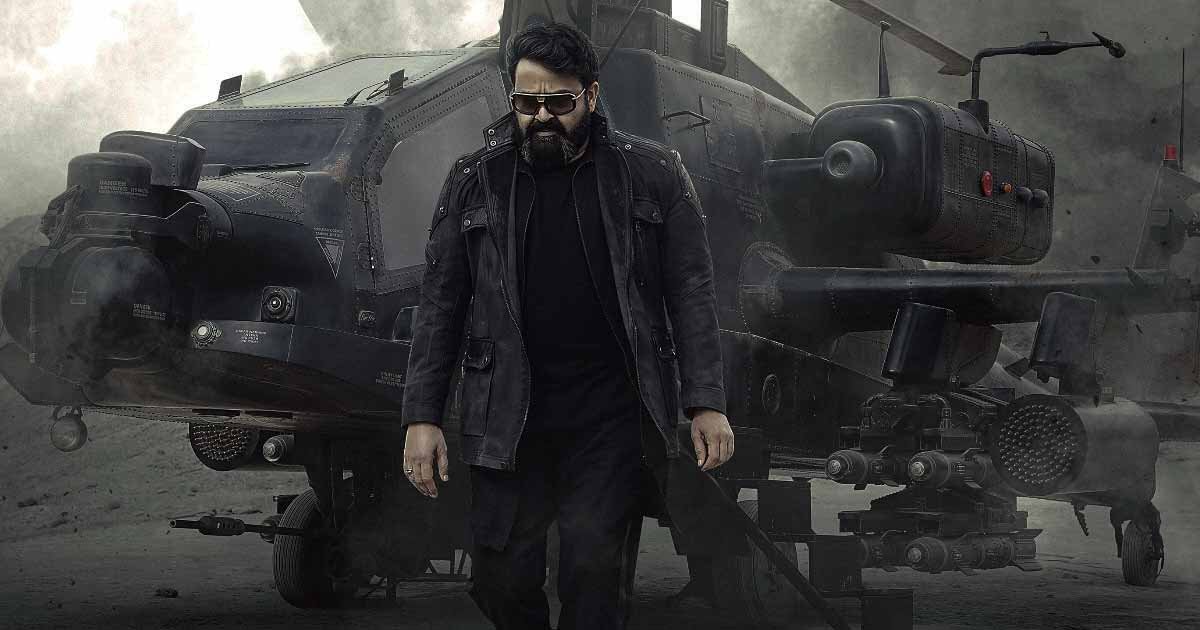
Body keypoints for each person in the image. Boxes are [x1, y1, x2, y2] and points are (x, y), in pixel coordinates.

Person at [399, 21, 733, 630]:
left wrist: (705, 401)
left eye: (559, 102)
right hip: (507, 415)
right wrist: (422, 417)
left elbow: (691, 293)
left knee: (592, 575)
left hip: (608, 420)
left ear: (591, 96)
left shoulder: (652, 173)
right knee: (501, 579)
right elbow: (440, 304)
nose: (541, 117)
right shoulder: (475, 180)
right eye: (527, 103)